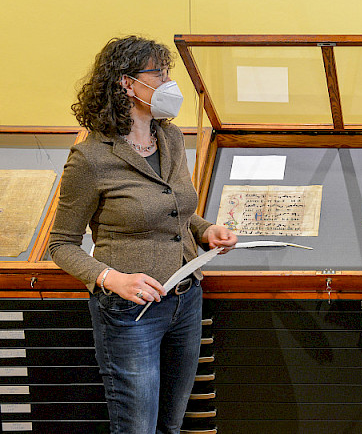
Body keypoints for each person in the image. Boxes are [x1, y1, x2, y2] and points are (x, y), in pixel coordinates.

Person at [49, 35, 237, 434]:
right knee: (137, 428)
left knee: (171, 425)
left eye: (168, 72)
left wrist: (207, 231)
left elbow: (175, 209)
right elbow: (61, 244)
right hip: (131, 313)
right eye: (159, 74)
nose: (169, 83)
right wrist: (112, 279)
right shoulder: (91, 157)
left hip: (186, 301)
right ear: (126, 83)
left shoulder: (169, 137)